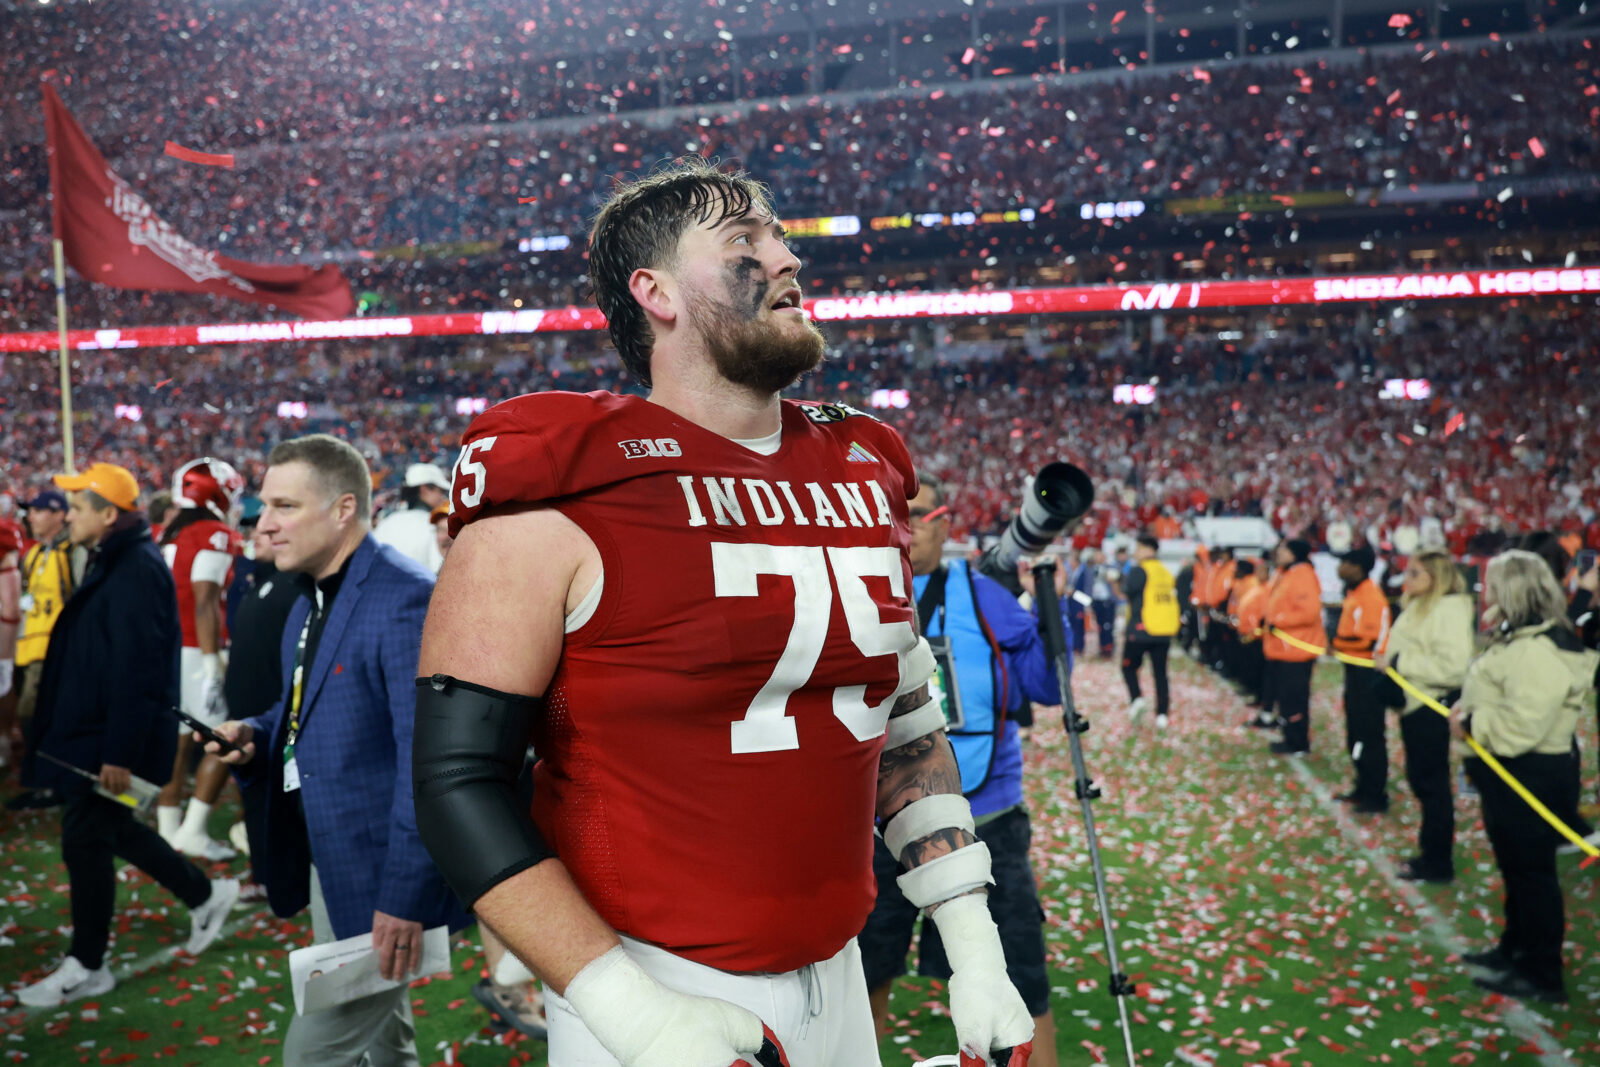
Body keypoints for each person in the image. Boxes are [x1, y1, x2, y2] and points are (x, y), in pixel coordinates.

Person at [412, 159, 1034, 1067]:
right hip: (653, 987)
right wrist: (634, 1015)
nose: (785, 257)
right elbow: (457, 782)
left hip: (839, 970)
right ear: (653, 291)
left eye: (779, 235)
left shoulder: (862, 465)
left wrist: (973, 943)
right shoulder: (561, 491)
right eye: (745, 239)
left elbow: (900, 716)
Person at [207, 434, 471, 1067]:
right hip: (335, 856)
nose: (263, 524)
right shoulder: (313, 597)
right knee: (389, 1044)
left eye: (284, 506)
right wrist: (255, 734)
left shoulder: (404, 598)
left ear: (344, 509)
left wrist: (405, 898)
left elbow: (426, 763)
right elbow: (306, 712)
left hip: (386, 874)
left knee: (313, 1054)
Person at [14, 463, 238, 1009]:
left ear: (108, 514)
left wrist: (117, 750)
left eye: (79, 506)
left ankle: (89, 964)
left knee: (86, 836)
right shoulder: (118, 558)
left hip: (108, 741)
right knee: (102, 831)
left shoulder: (134, 566)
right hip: (94, 735)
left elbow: (135, 669)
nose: (69, 514)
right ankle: (203, 893)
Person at [858, 473, 1061, 1067]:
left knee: (1019, 976)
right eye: (896, 513)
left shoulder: (986, 595)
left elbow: (1047, 687)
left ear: (947, 522)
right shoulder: (856, 589)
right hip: (880, 824)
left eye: (919, 514)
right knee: (863, 977)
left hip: (988, 816)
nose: (906, 525)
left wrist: (1055, 617)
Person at [1452, 550, 1598, 1002]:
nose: (1486, 593)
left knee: (1532, 873)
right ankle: (1515, 948)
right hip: (1509, 768)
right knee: (1515, 867)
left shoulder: (1540, 648)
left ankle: (1542, 972)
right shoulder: (1524, 637)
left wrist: (1471, 725)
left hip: (1530, 768)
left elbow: (1523, 724)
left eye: (1494, 585)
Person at [158, 458, 245, 860]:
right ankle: (191, 831)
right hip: (197, 648)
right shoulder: (213, 533)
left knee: (175, 742)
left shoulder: (168, 533)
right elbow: (205, 599)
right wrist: (212, 662)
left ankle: (168, 829)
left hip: (169, 647)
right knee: (217, 738)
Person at [1374, 550, 1474, 882]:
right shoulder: (1420, 604)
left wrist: (1399, 664)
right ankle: (1430, 854)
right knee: (1422, 781)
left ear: (1434, 577)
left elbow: (1454, 667)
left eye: (1415, 573)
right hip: (1414, 703)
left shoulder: (1449, 610)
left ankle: (1437, 862)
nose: (1407, 578)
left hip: (1430, 705)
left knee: (1431, 785)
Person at [4, 490, 86, 810]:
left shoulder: (72, 552)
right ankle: (45, 782)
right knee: (34, 717)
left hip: (55, 648)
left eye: (38, 511)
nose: (31, 517)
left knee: (35, 714)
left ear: (58, 514)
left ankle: (52, 785)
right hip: (29, 647)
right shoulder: (36, 554)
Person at [1331, 547, 1393, 814]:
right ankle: (1362, 784)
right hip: (1353, 671)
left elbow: (1365, 640)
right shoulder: (1355, 593)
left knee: (1370, 732)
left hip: (1367, 672)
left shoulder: (1370, 596)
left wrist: (1335, 643)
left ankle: (1375, 793)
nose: (1340, 568)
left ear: (1357, 566)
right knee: (1355, 730)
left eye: (1344, 563)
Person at [1262, 539, 1325, 756]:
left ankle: (1298, 741)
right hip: (1284, 648)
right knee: (1286, 698)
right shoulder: (1286, 573)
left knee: (1295, 698)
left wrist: (1278, 619)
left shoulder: (1303, 575)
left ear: (1294, 553)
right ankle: (1290, 737)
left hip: (1297, 650)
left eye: (1283, 550)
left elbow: (1309, 612)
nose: (1278, 553)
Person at [1121, 534, 1178, 728]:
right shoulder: (1165, 571)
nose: (1135, 553)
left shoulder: (1140, 570)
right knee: (1160, 673)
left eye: (1138, 548)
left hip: (1142, 629)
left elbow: (1128, 592)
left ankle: (1137, 698)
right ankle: (1162, 713)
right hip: (1164, 630)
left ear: (1149, 549)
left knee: (1128, 666)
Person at [372, 463, 450, 573]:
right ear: (425, 489)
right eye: (440, 491)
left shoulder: (386, 523)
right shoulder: (433, 526)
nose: (442, 497)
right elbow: (438, 570)